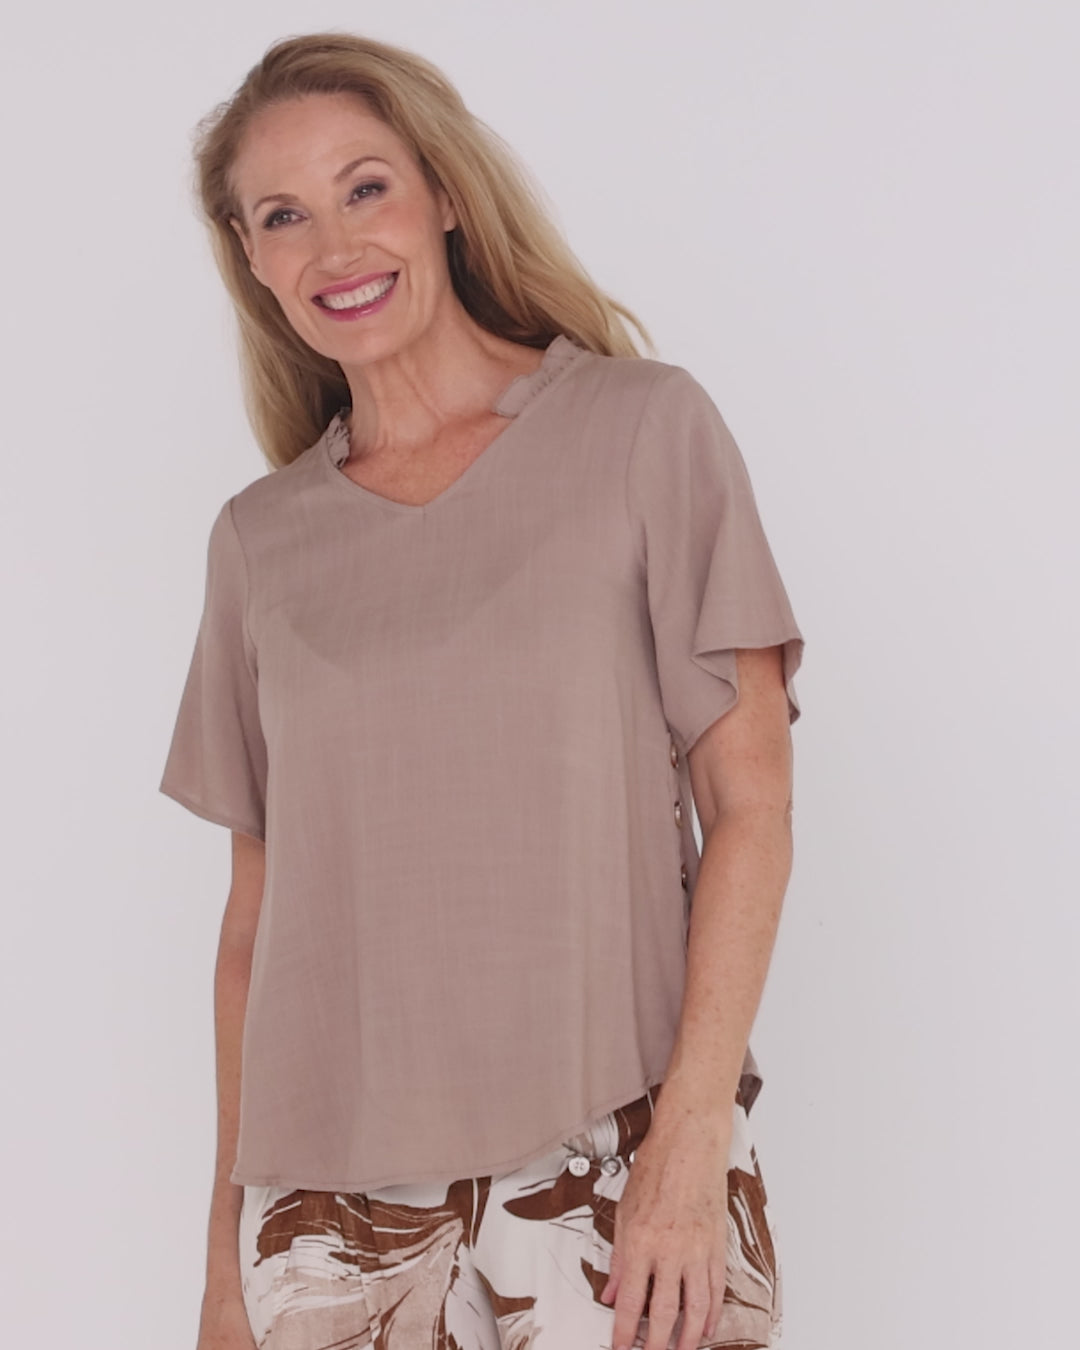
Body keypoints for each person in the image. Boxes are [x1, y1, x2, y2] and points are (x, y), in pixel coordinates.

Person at [158, 30, 805, 1350]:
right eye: (283, 214)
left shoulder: (643, 432)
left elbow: (751, 805)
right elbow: (252, 927)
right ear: (249, 255)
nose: (334, 246)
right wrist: (227, 1261)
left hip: (612, 1163)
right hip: (326, 1216)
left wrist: (691, 1144)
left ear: (445, 193)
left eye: (366, 187)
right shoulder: (260, 542)